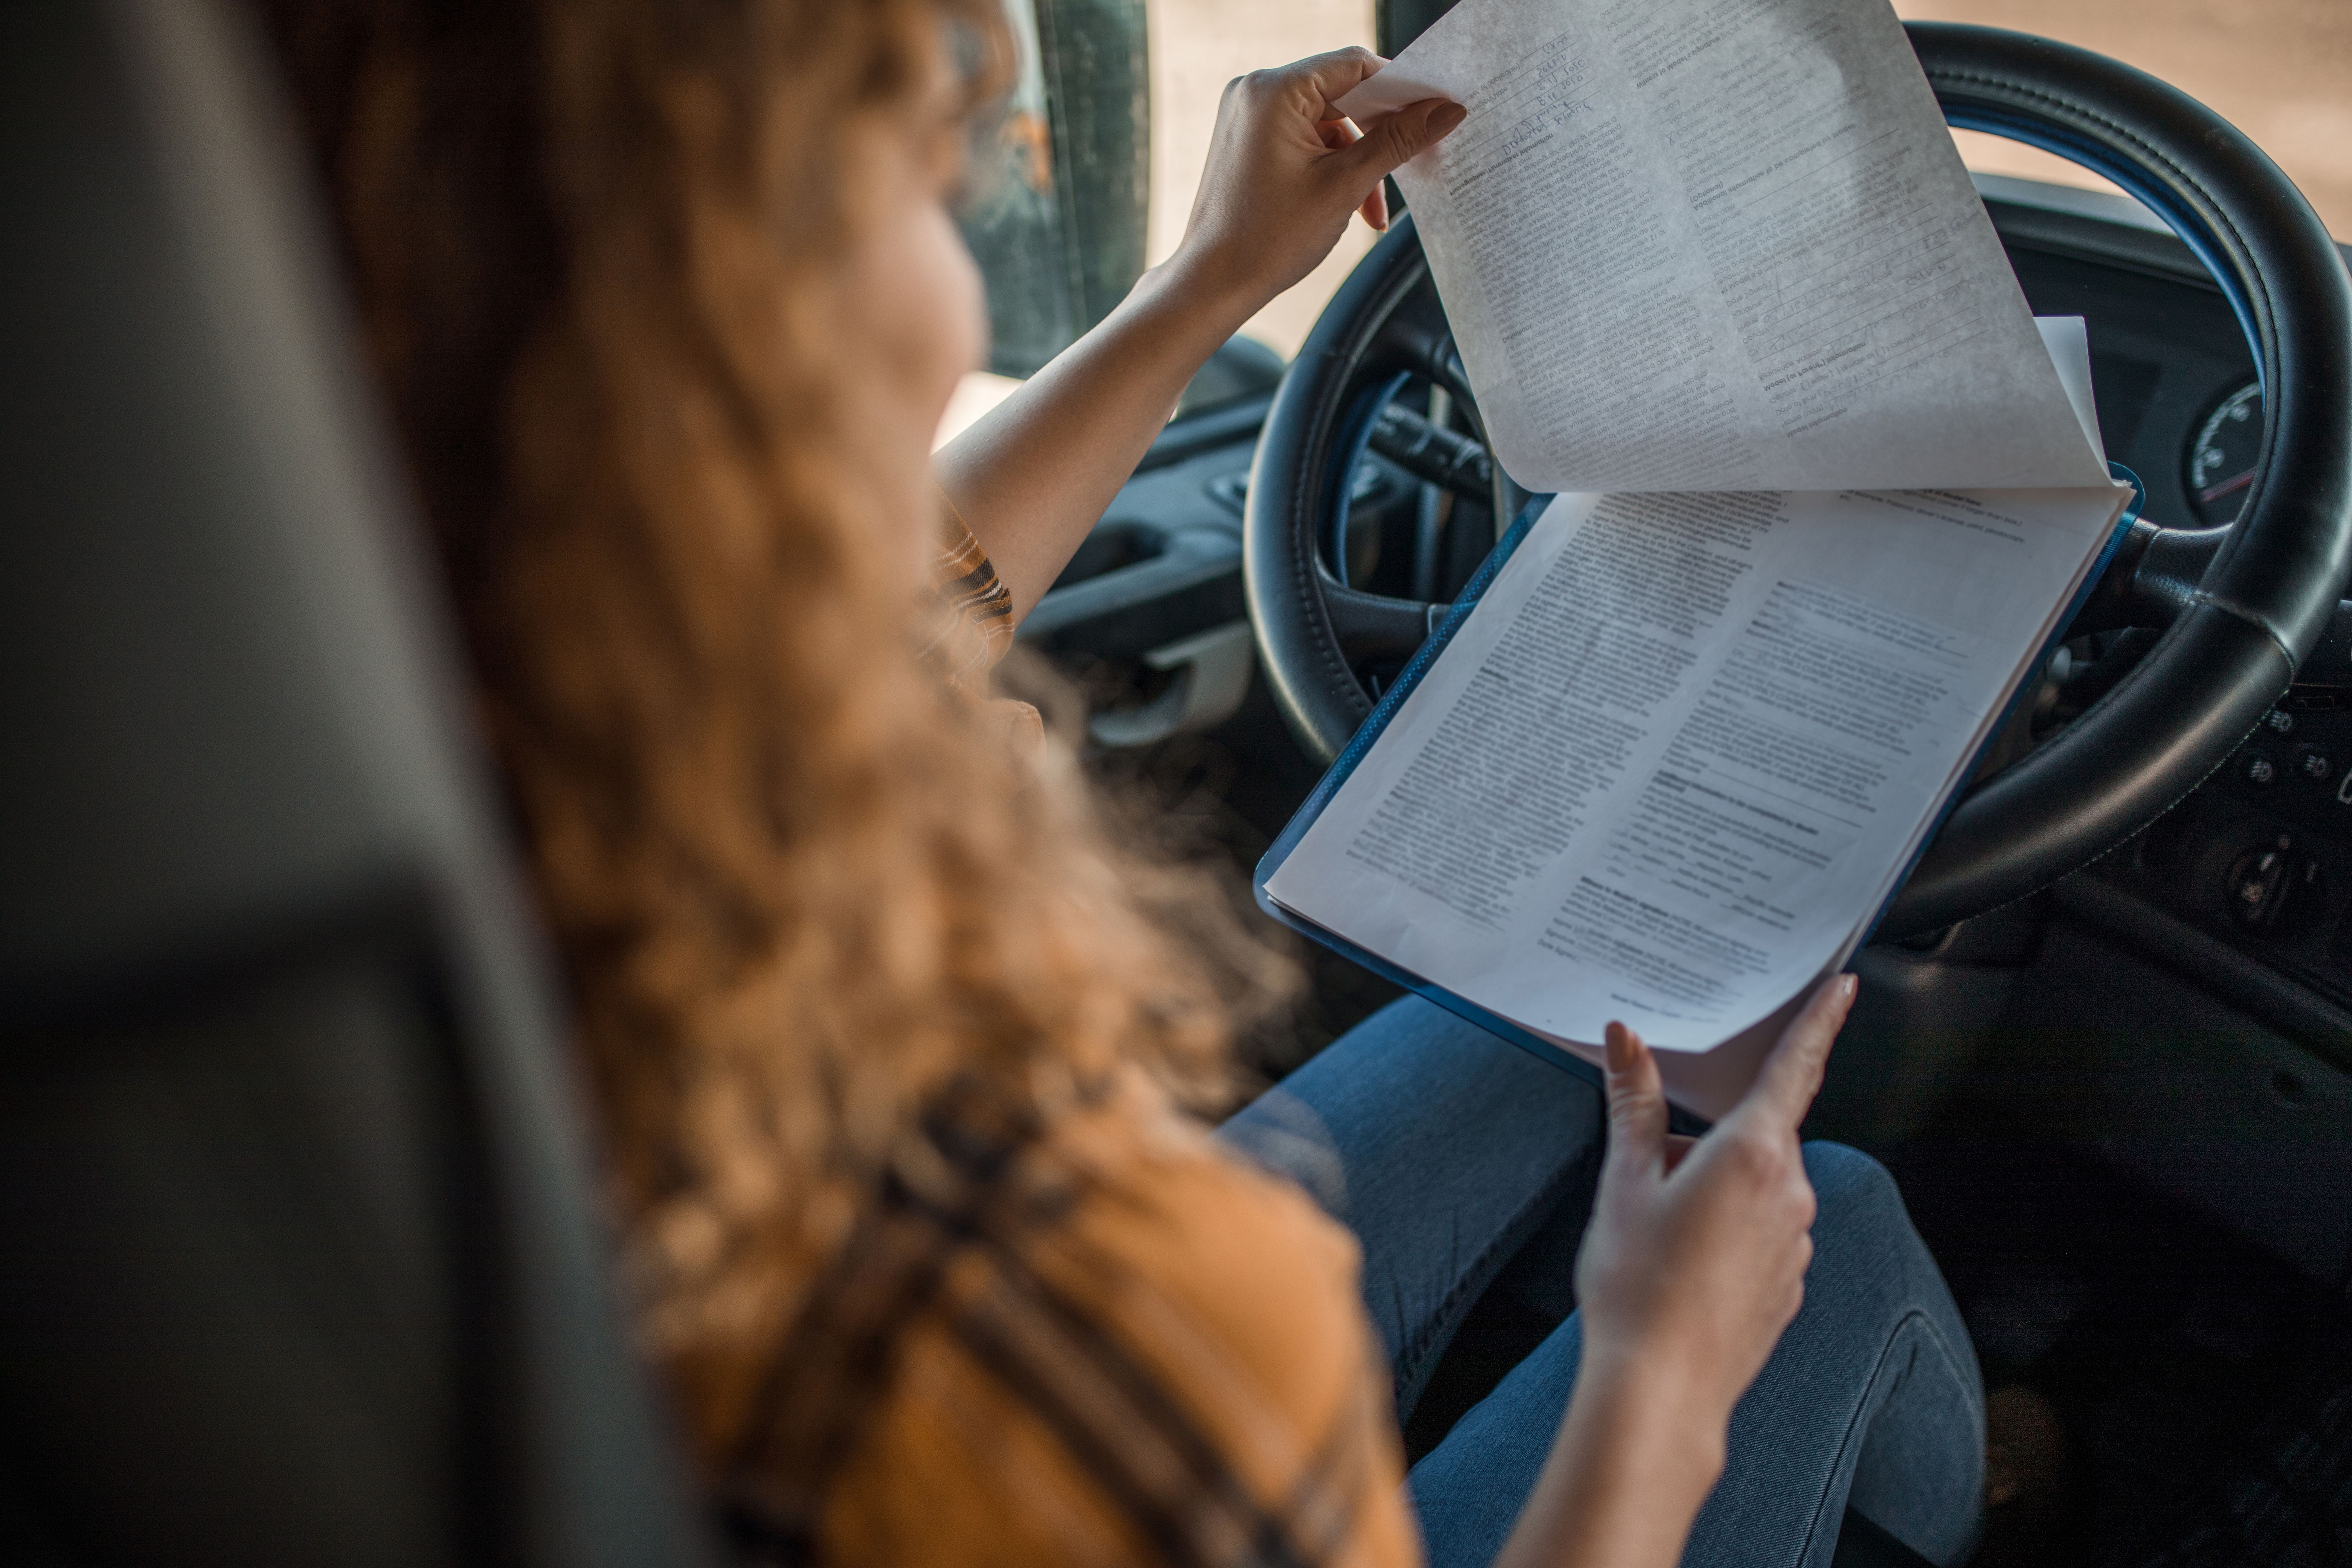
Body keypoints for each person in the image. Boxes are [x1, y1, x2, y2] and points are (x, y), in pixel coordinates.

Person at [258, 2, 1984, 1564]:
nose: (958, 300)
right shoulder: (1116, 1327)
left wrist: (1205, 286)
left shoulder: (389, 732)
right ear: (742, 337)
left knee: (1536, 1023)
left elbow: (903, 609)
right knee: (1821, 1222)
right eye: (928, 202)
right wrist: (1659, 1389)